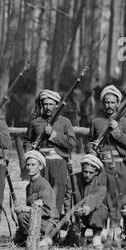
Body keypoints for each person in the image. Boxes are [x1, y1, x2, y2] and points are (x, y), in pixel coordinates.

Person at [89, 84, 126, 227]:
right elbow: (90, 141)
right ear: (103, 103)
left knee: (118, 198)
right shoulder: (96, 122)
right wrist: (90, 149)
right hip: (102, 165)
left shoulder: (125, 122)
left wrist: (117, 133)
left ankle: (117, 232)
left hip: (119, 166)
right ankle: (99, 230)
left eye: (112, 102)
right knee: (101, 197)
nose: (109, 105)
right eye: (107, 102)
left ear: (118, 103)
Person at [26, 88, 75, 219]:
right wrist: (30, 154)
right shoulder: (35, 122)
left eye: (51, 104)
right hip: (40, 163)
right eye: (45, 104)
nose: (48, 107)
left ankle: (53, 228)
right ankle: (37, 225)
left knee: (57, 194)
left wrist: (53, 135)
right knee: (39, 192)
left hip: (58, 162)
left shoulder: (65, 122)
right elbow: (28, 141)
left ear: (57, 105)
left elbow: (72, 144)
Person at [64, 153, 109, 248]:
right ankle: (80, 234)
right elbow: (67, 198)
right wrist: (69, 214)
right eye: (85, 171)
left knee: (101, 210)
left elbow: (95, 199)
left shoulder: (100, 185)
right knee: (73, 242)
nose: (87, 175)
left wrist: (85, 209)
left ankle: (96, 237)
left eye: (91, 172)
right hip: (75, 214)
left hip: (90, 213)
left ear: (96, 172)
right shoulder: (73, 179)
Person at [14, 149, 55, 247]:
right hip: (36, 219)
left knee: (22, 216)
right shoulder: (29, 186)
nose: (29, 167)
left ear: (40, 167)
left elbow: (47, 211)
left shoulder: (44, 185)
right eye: (28, 165)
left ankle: (42, 238)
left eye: (33, 165)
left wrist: (26, 209)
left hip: (48, 223)